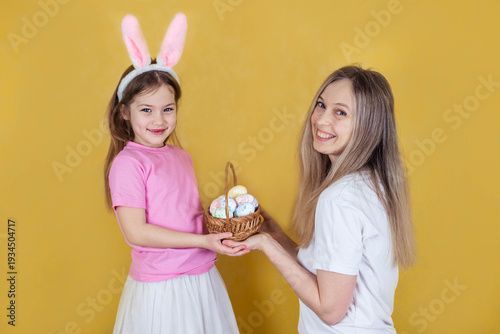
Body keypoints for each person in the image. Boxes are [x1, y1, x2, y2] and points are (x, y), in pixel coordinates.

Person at [225, 65, 416, 333]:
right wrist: (278, 238)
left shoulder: (338, 198)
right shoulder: (374, 185)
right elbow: (329, 274)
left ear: (369, 126)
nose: (321, 120)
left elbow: (331, 310)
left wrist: (266, 245)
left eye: (341, 112)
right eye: (321, 105)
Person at [104, 13, 246, 333]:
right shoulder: (128, 164)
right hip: (163, 287)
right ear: (125, 112)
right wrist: (203, 240)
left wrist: (221, 217)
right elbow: (136, 232)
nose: (159, 120)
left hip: (201, 276)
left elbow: (180, 209)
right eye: (146, 110)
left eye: (168, 109)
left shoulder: (181, 156)